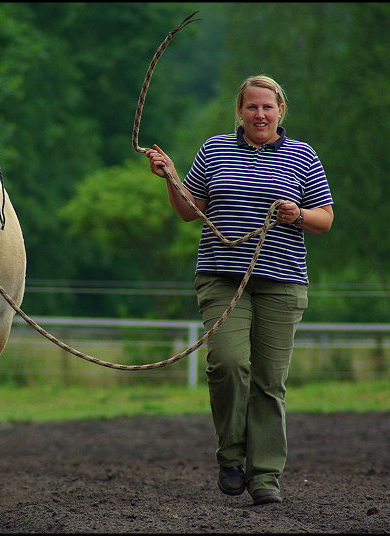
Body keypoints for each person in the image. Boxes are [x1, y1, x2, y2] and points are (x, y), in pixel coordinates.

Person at [145, 75, 334, 505]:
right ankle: (231, 456)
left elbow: (325, 218)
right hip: (221, 277)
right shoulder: (213, 150)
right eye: (252, 107)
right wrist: (171, 177)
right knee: (228, 364)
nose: (260, 114)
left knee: (270, 382)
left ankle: (265, 475)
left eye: (268, 107)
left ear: (280, 110)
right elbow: (190, 212)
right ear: (240, 111)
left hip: (282, 282)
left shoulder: (303, 156)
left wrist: (297, 213)